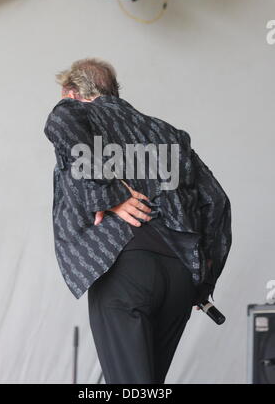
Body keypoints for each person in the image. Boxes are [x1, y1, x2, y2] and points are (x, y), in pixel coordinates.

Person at [44, 57, 232, 384]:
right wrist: (203, 280)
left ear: (69, 92)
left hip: (125, 267)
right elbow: (216, 201)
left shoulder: (73, 111)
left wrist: (110, 194)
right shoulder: (166, 132)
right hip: (179, 277)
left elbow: (61, 125)